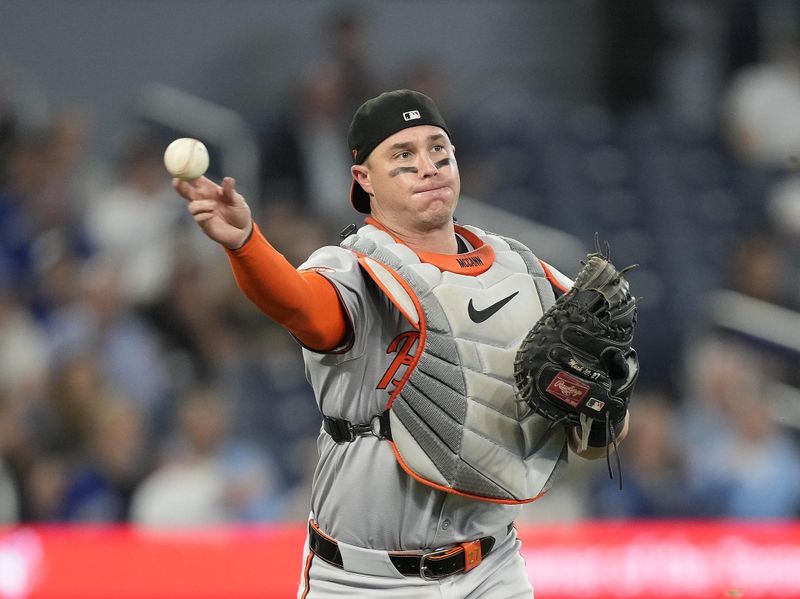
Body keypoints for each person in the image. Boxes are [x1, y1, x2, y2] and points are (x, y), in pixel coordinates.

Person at [173, 89, 630, 598]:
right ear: (364, 180)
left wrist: (602, 410)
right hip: (365, 580)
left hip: (492, 567)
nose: (428, 165)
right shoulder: (356, 269)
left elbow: (596, 435)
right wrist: (245, 244)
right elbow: (297, 304)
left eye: (439, 149)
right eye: (403, 155)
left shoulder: (522, 269)